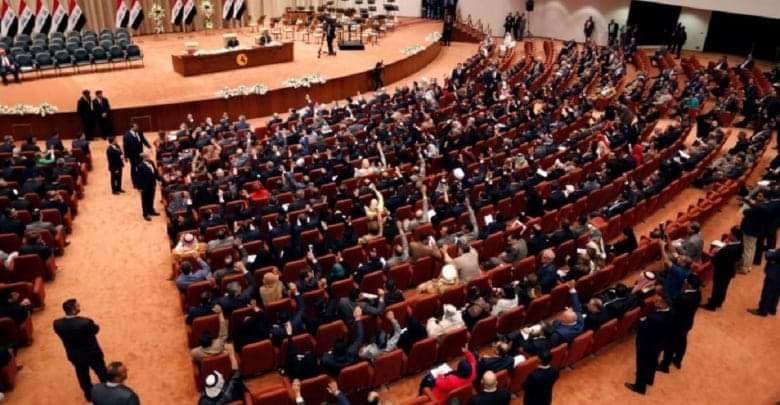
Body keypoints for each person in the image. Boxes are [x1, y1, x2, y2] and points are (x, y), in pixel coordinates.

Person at [53, 298, 109, 402]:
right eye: (78, 305)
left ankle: (89, 396)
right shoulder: (86, 322)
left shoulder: (57, 323)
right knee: (102, 372)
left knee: (82, 375)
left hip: (74, 355)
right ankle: (108, 392)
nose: (79, 307)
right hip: (92, 354)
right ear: (73, 310)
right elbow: (95, 330)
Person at [625, 295, 673, 395]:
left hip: (647, 344)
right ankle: (648, 379)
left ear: (664, 304)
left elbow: (642, 325)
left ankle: (639, 387)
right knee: (652, 363)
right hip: (658, 344)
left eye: (659, 301)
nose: (656, 302)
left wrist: (640, 321)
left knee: (642, 364)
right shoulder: (670, 312)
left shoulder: (654, 318)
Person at [659, 275, 701, 372]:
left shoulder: (683, 298)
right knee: (682, 342)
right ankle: (678, 360)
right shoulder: (698, 293)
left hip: (677, 324)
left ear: (689, 285)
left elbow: (673, 306)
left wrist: (664, 295)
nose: (684, 282)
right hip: (687, 323)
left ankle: (665, 366)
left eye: (686, 282)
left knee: (670, 344)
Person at [702, 227, 743, 310]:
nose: (729, 235)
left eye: (731, 234)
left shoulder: (729, 249)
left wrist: (713, 254)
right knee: (723, 287)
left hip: (722, 271)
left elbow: (716, 258)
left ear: (734, 236)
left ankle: (712, 305)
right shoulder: (740, 244)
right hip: (729, 270)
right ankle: (719, 302)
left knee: (717, 287)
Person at [747, 249, 780, 316]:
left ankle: (762, 310)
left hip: (774, 274)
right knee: (776, 292)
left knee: (767, 292)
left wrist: (770, 252)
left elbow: (769, 256)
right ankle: (771, 309)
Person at [123, 123, 151, 189]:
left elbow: (143, 139)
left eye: (137, 126)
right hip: (133, 156)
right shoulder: (127, 135)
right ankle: (135, 183)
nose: (137, 128)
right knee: (134, 169)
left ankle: (141, 180)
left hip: (140, 154)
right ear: (132, 127)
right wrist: (126, 156)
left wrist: (148, 146)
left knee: (140, 167)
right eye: (136, 127)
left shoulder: (139, 132)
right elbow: (125, 147)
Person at [137, 152, 160, 220]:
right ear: (144, 158)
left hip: (152, 184)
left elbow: (155, 172)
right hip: (145, 186)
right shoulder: (141, 166)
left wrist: (159, 179)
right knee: (145, 200)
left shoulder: (151, 163)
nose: (149, 157)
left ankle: (151, 210)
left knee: (151, 198)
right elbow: (139, 177)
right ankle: (146, 214)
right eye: (148, 156)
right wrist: (139, 187)